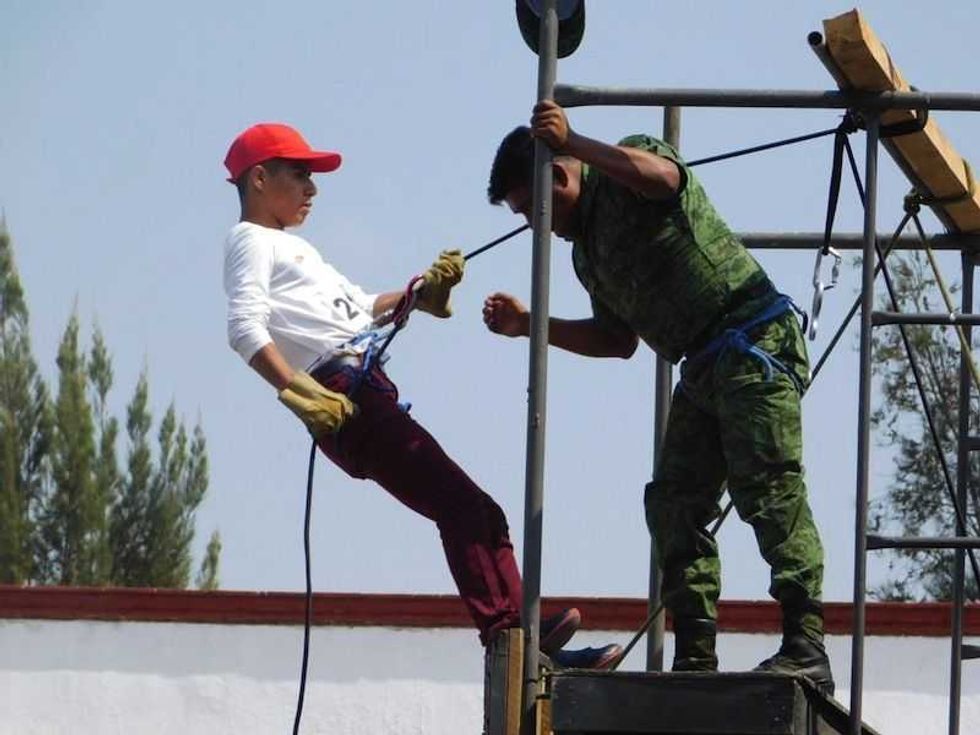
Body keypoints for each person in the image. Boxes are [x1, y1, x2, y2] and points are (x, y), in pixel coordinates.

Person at [221, 121, 621, 669]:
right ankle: (506, 633)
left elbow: (361, 308)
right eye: (300, 174)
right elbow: (244, 329)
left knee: (481, 511)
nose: (312, 188)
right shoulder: (249, 241)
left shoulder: (294, 249)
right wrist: (301, 393)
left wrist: (419, 292)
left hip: (358, 389)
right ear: (260, 179)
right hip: (340, 393)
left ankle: (528, 643)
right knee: (461, 507)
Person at [483, 101, 834, 693]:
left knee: (768, 487)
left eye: (535, 206)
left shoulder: (625, 168)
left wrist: (577, 140)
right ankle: (696, 656)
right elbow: (617, 341)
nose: (535, 224)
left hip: (752, 339)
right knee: (674, 503)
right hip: (700, 368)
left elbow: (666, 179)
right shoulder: (586, 255)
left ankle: (806, 643)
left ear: (562, 176)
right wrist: (530, 325)